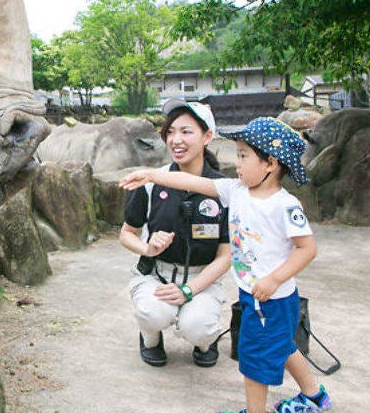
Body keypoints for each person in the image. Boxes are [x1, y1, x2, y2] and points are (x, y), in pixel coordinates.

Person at [119, 117, 333, 413]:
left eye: (244, 156)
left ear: (270, 164)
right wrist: (152, 175)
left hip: (271, 298)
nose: (238, 162)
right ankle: (314, 396)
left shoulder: (284, 205)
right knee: (283, 345)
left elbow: (307, 249)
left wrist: (274, 279)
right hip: (254, 293)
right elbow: (192, 181)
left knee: (254, 360)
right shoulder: (237, 190)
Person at [118, 99, 230, 368]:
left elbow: (226, 256)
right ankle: (150, 338)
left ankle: (205, 341)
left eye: (186, 131)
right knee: (153, 313)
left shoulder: (223, 190)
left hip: (202, 278)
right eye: (170, 132)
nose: (175, 139)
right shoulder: (150, 182)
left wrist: (190, 290)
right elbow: (127, 234)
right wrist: (147, 248)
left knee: (198, 326)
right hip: (157, 275)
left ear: (208, 136)